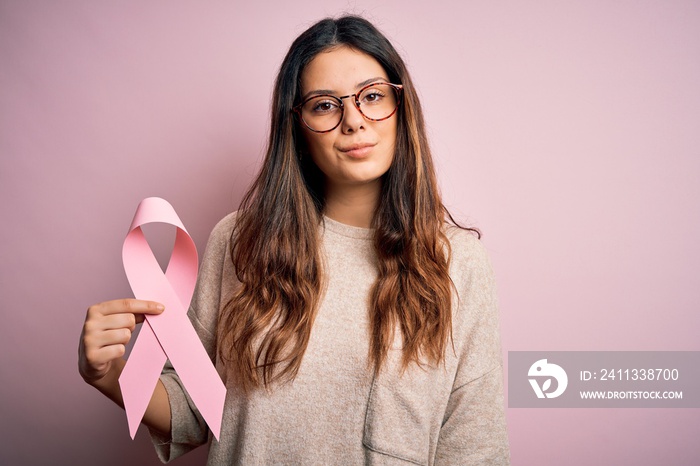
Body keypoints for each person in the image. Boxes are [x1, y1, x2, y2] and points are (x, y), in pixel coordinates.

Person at [79, 15, 510, 465]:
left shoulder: (457, 262)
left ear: (402, 107)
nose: (354, 121)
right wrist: (109, 376)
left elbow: (473, 447)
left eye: (373, 96)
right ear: (298, 127)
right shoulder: (239, 243)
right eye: (325, 105)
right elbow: (192, 407)